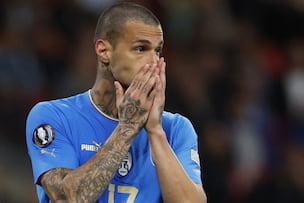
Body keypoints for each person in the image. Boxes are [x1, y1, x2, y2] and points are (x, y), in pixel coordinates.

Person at [25, 2, 207, 203]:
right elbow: (69, 198)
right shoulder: (54, 116)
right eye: (140, 48)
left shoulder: (175, 129)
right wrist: (127, 128)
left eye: (157, 51)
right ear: (104, 51)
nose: (153, 61)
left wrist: (155, 131)